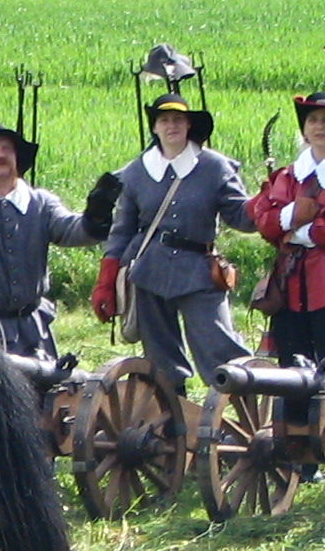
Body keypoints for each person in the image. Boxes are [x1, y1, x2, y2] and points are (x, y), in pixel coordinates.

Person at [92, 94, 253, 388]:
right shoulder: (137, 171)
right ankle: (171, 413)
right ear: (155, 128)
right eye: (164, 120)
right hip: (149, 272)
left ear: (189, 125)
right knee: (161, 361)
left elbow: (240, 216)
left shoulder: (215, 167)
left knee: (219, 347)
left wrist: (267, 204)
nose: (172, 125)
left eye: (178, 119)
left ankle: (239, 401)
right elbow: (122, 230)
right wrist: (106, 280)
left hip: (199, 271)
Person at [0, 119, 116, 359]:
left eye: (7, 149)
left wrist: (96, 216)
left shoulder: (40, 202)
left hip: (32, 330)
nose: (1, 155)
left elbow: (70, 230)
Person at [246, 93, 325, 368]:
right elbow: (264, 219)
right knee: (291, 368)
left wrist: (291, 230)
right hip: (289, 284)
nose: (319, 126)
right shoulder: (288, 175)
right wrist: (295, 216)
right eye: (313, 120)